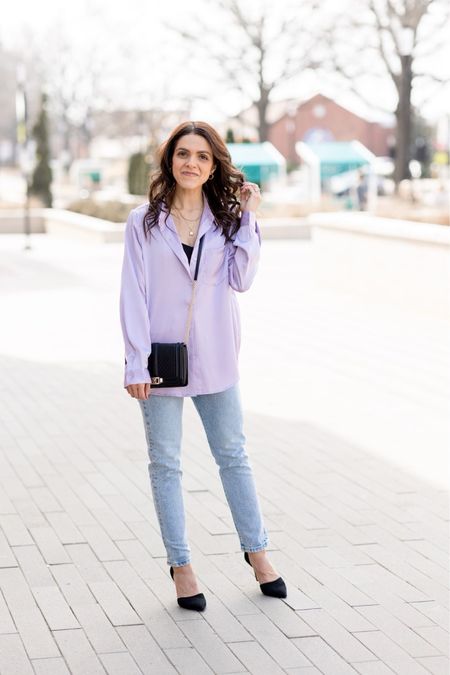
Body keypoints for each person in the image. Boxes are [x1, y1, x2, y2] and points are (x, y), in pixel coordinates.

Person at [119, 120, 287, 611]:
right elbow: (134, 293)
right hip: (160, 360)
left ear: (214, 166)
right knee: (166, 464)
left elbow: (241, 279)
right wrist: (134, 361)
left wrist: (250, 218)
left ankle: (258, 554)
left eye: (202, 156)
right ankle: (182, 565)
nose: (191, 162)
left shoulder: (228, 220)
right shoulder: (143, 222)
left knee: (233, 455)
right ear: (170, 160)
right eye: (183, 153)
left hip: (216, 357)